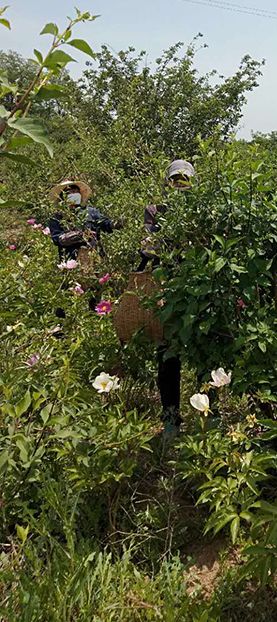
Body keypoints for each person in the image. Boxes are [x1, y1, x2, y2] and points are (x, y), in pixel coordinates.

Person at [137, 159, 196, 438]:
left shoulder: (203, 209)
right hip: (166, 290)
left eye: (185, 179)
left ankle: (211, 414)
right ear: (168, 182)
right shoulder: (154, 211)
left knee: (206, 353)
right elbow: (147, 249)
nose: (180, 184)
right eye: (176, 179)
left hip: (199, 289)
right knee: (168, 355)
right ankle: (171, 417)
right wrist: (161, 241)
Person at [48, 180, 121, 323]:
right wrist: (80, 235)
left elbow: (104, 224)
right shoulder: (57, 217)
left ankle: (95, 321)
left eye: (77, 192)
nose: (75, 194)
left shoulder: (91, 212)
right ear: (63, 197)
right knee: (68, 292)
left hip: (93, 256)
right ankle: (60, 325)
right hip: (71, 260)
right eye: (71, 192)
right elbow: (58, 239)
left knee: (95, 289)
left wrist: (116, 223)